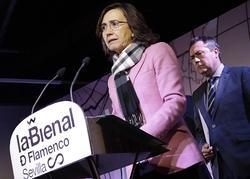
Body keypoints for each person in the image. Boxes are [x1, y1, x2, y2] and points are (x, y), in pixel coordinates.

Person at [96, 2, 209, 179]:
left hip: (175, 158)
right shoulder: (113, 79)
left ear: (133, 28)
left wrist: (142, 138)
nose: (108, 32)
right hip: (138, 166)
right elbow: (120, 121)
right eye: (103, 28)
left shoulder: (157, 51)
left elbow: (175, 101)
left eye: (114, 24)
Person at [190, 35, 250, 179]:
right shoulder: (197, 94)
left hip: (245, 160)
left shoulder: (242, 75)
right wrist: (201, 146)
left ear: (215, 52)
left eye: (199, 53)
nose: (196, 60)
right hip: (219, 168)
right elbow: (199, 131)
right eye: (192, 58)